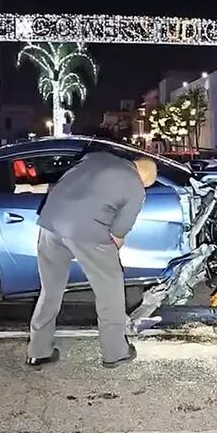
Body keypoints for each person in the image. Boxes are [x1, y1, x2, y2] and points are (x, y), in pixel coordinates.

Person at [26, 150, 158, 369]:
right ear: (145, 179)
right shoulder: (136, 187)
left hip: (50, 222)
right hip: (86, 230)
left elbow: (68, 182)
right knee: (110, 291)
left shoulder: (97, 157)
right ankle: (115, 352)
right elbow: (119, 232)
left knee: (50, 290)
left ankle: (38, 351)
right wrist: (110, 255)